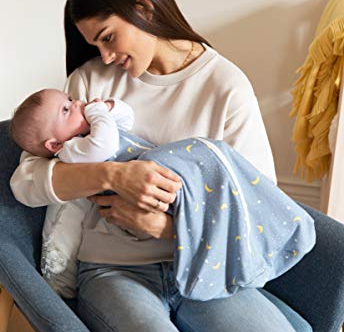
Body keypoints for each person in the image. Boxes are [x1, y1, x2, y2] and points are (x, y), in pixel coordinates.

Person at [10, 0, 308, 332]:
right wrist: (114, 176)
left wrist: (167, 230)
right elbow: (27, 183)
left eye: (108, 36)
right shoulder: (89, 83)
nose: (105, 56)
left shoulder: (225, 87)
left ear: (143, 8)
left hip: (203, 266)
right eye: (95, 45)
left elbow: (257, 205)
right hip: (114, 270)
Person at [10, 88, 316, 301]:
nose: (77, 103)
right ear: (53, 145)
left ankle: (275, 230)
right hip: (148, 175)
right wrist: (98, 113)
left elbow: (126, 121)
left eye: (71, 100)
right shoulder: (74, 149)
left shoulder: (228, 89)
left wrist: (112, 108)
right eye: (67, 108)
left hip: (158, 191)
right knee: (203, 152)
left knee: (214, 157)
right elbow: (102, 146)